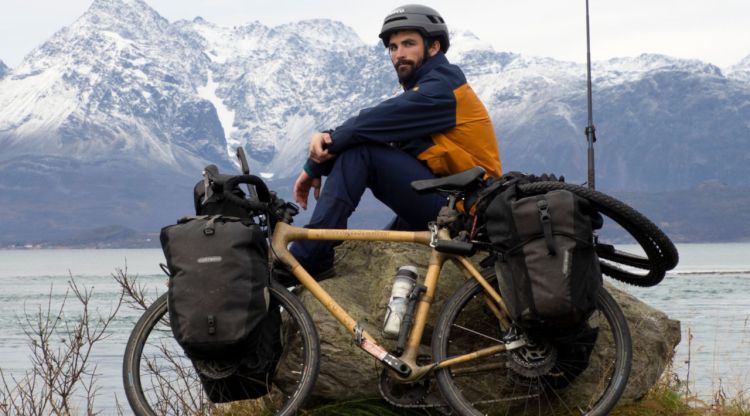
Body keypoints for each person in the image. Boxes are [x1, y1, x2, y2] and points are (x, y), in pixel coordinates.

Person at [283, 4, 502, 280]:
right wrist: (323, 148)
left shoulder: (442, 90)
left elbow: (367, 126)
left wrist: (314, 166)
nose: (399, 54)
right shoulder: (428, 89)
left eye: (409, 44)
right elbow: (375, 129)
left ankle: (309, 258)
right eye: (393, 47)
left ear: (433, 47)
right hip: (444, 197)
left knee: (363, 152)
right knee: (376, 250)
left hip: (464, 212)